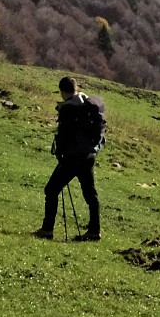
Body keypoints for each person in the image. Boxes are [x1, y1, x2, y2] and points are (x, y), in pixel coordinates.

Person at [35, 76, 106, 241]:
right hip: (89, 154)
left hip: (73, 157)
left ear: (62, 91)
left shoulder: (69, 108)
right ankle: (94, 231)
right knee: (90, 194)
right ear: (76, 88)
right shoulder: (87, 103)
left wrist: (59, 152)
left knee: (51, 190)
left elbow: (64, 136)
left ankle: (47, 230)